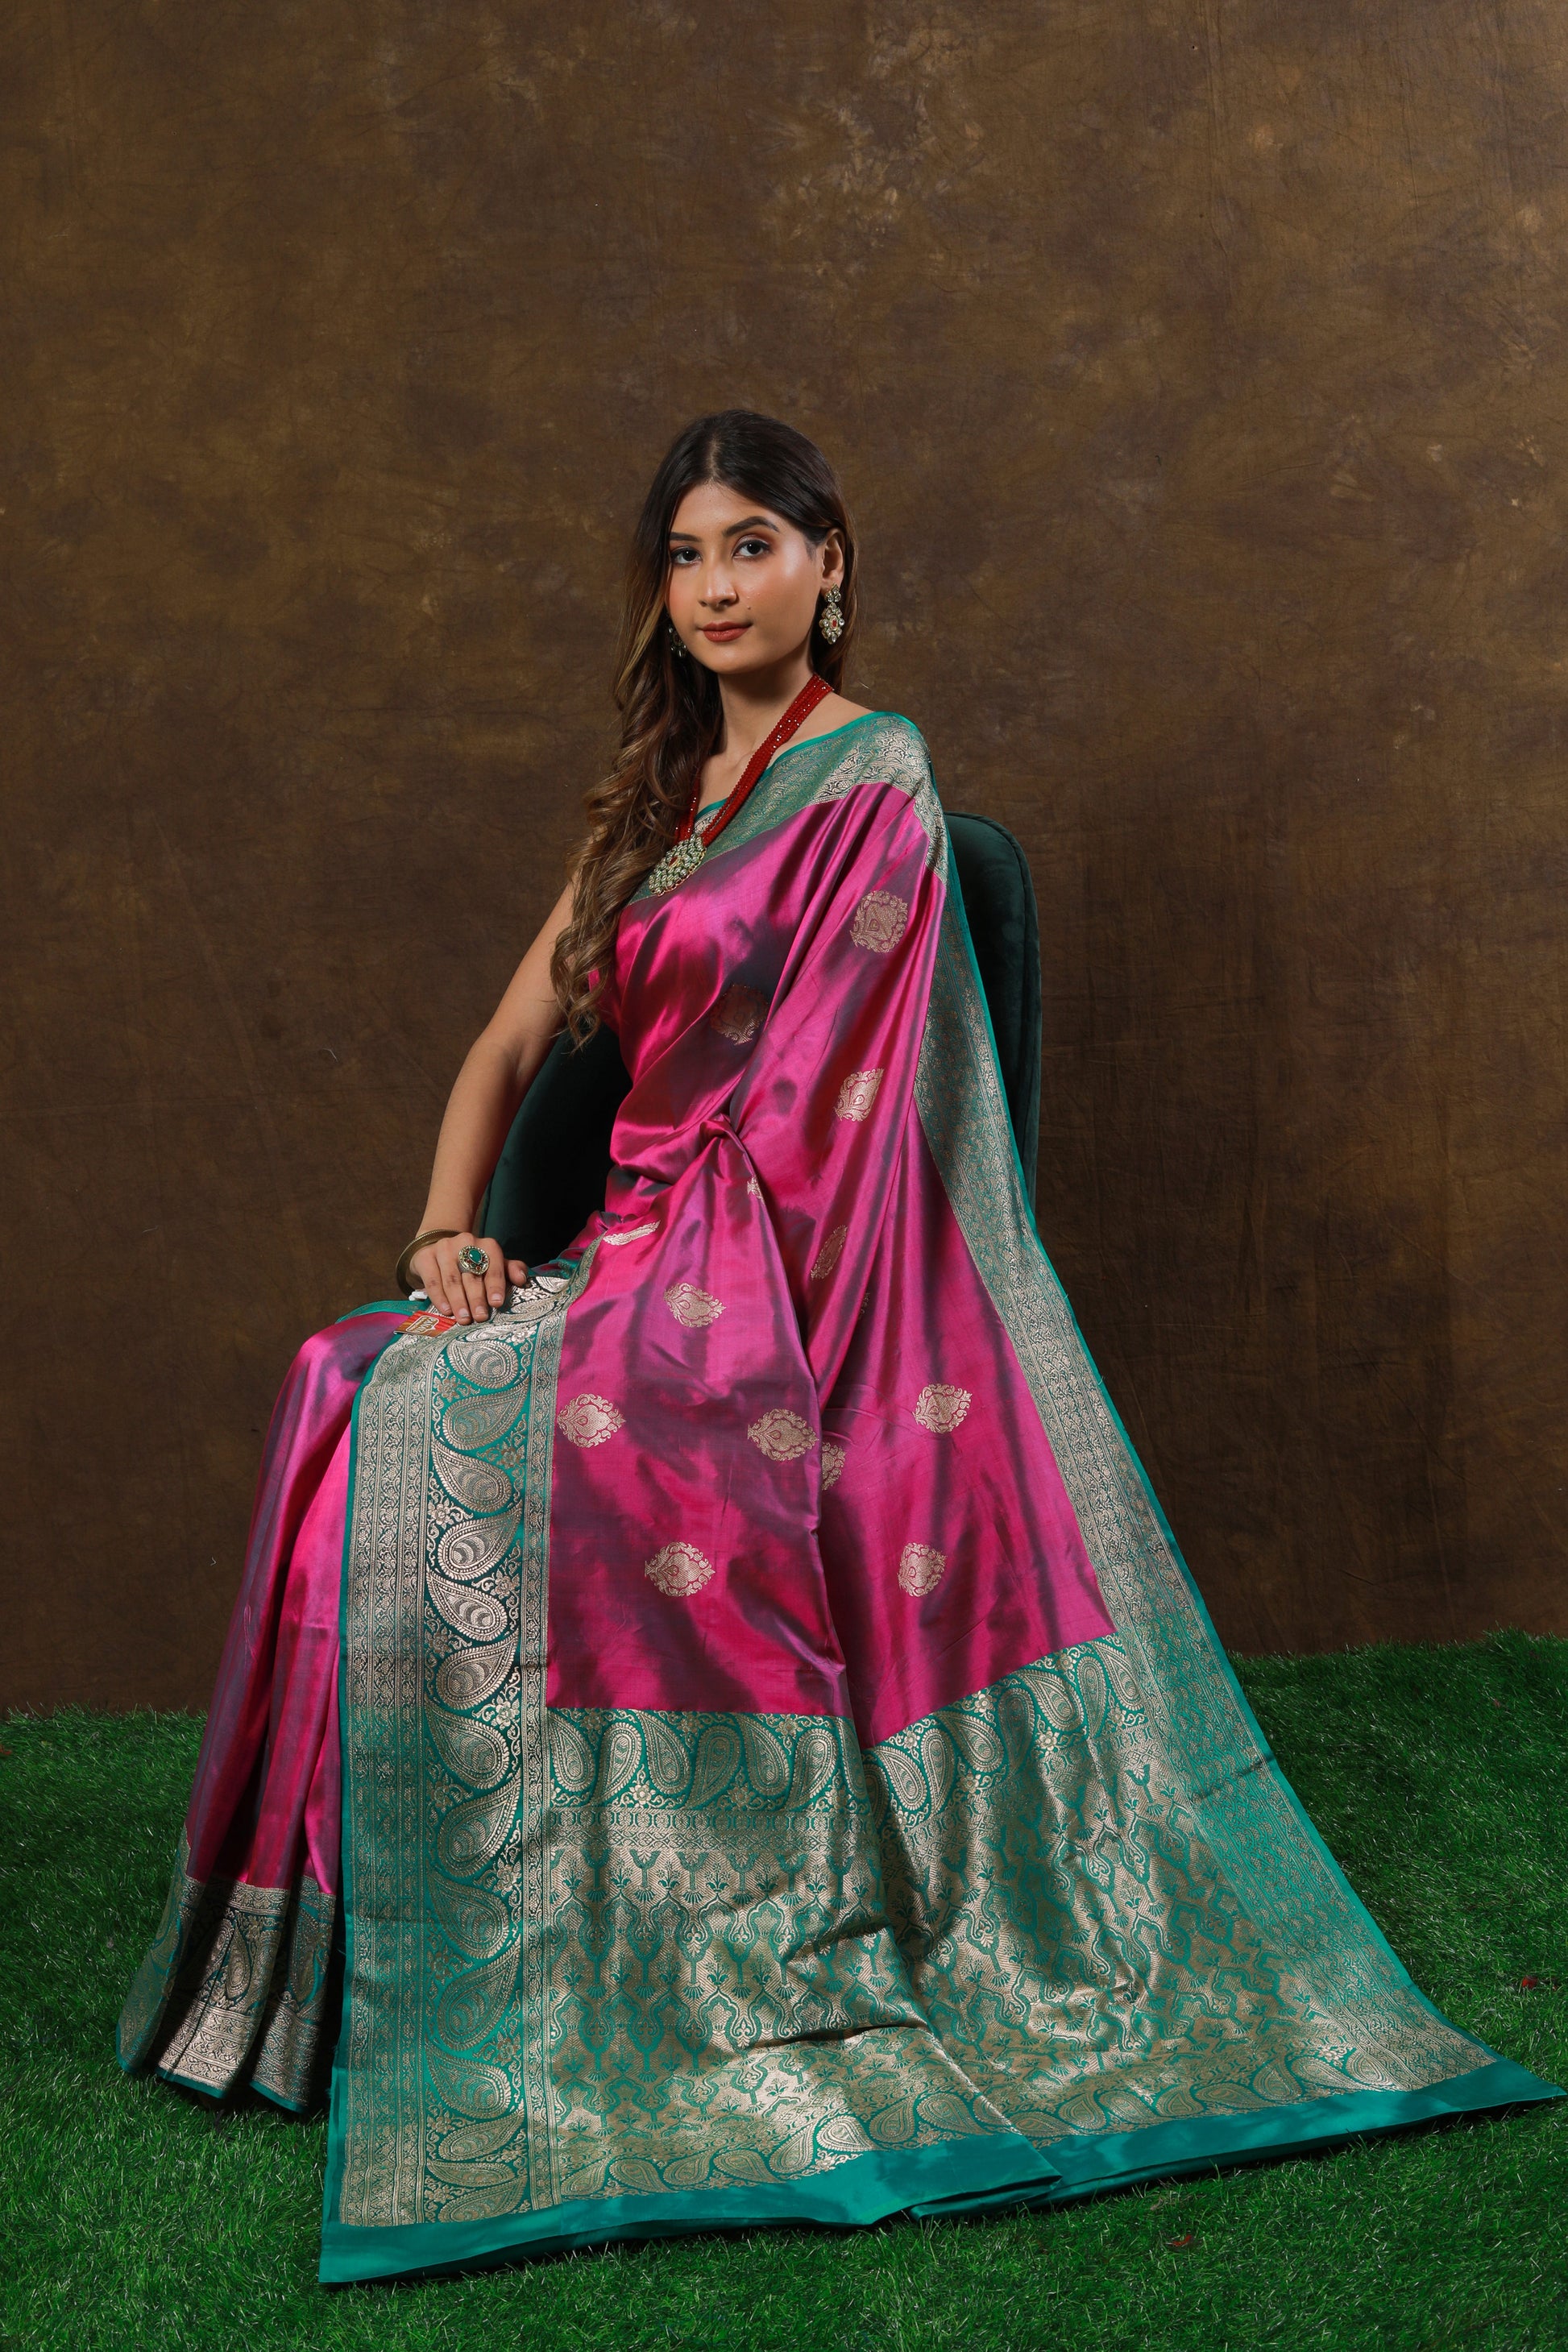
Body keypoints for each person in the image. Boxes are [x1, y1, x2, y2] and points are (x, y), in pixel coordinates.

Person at [119, 410, 1557, 2285]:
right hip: (620, 1254)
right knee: (345, 1374)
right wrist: (445, 1230)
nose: (718, 585)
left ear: (830, 566)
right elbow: (505, 1046)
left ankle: (529, 1948)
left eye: (754, 545)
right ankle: (313, 1974)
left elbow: (843, 1111)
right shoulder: (657, 809)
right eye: (688, 553)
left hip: (779, 1283)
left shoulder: (873, 775)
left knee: (444, 1419)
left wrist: (687, 1286)